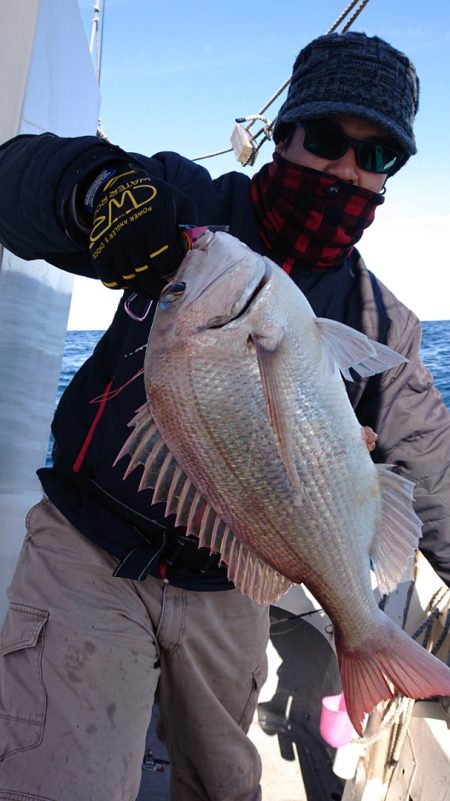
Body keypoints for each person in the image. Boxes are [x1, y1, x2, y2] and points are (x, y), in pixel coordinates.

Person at [0, 30, 449, 801]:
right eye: (330, 139)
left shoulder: (382, 321)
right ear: (285, 136)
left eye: (376, 158)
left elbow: (434, 469)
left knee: (223, 781)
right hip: (90, 549)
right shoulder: (188, 212)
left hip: (232, 584)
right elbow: (14, 181)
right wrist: (95, 191)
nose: (347, 169)